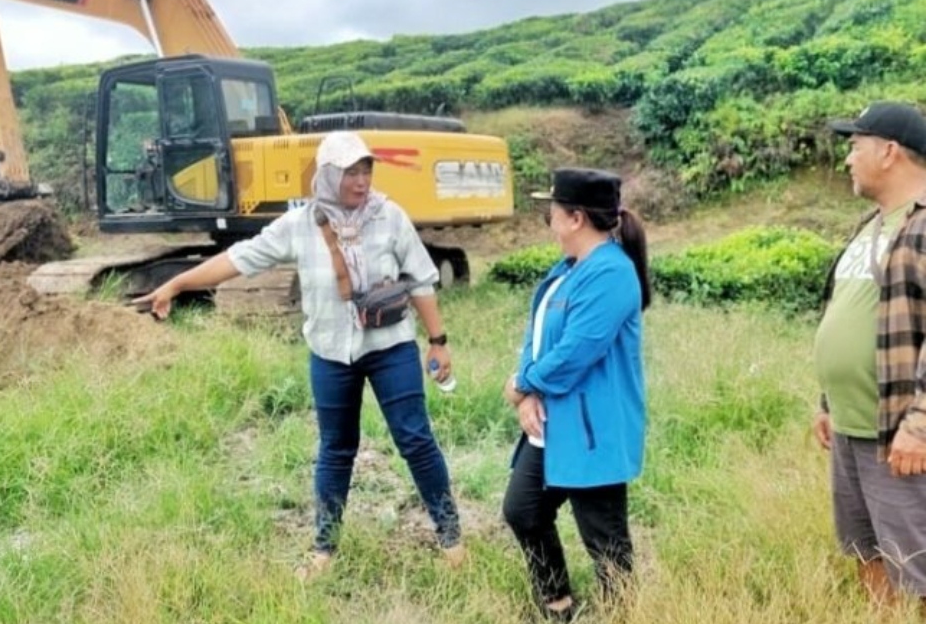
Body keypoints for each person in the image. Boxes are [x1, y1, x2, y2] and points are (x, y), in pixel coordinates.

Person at [133, 130, 464, 577]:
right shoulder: (299, 225)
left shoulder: (390, 217)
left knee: (415, 439)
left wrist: (438, 342)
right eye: (350, 172)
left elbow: (422, 280)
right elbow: (238, 259)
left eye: (366, 170)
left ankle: (451, 539)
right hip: (330, 353)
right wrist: (176, 283)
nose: (361, 181)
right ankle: (324, 549)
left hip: (391, 347)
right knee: (335, 448)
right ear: (327, 175)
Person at [501, 167, 651, 622]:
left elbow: (575, 353)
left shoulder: (612, 274)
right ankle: (558, 605)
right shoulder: (569, 269)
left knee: (606, 544)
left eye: (553, 210)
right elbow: (539, 334)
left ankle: (625, 614)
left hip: (592, 430)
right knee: (523, 511)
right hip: (551, 422)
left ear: (576, 218)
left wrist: (523, 383)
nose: (549, 219)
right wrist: (527, 393)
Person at [815, 101, 926, 607]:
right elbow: (849, 313)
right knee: (866, 552)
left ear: (889, 151)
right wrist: (827, 402)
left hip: (900, 435)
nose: (847, 159)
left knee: (913, 568)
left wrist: (920, 423)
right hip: (851, 427)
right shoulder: (869, 225)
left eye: (855, 146)